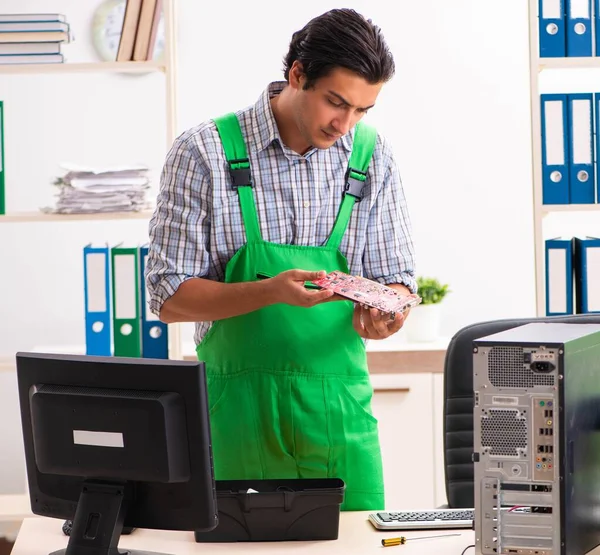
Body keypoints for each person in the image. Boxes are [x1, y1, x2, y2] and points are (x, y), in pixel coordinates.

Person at [145, 8, 416, 511]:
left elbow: (397, 280)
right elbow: (168, 299)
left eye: (362, 110)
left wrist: (389, 313)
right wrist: (270, 290)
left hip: (339, 417)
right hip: (235, 415)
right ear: (297, 74)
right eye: (336, 102)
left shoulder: (372, 156)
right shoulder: (205, 152)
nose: (345, 123)